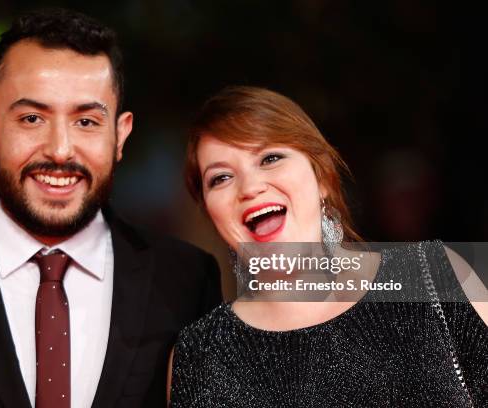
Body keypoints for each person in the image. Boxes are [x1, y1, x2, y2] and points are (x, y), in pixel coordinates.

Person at [0, 9, 221, 408]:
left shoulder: (186, 280)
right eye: (32, 118)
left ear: (120, 135)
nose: (60, 150)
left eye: (87, 122)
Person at [168, 86, 488, 407]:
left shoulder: (434, 275)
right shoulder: (201, 355)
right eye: (221, 178)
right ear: (210, 211)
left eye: (271, 158)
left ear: (321, 177)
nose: (250, 188)